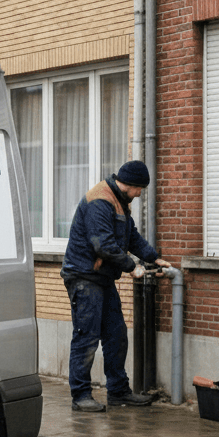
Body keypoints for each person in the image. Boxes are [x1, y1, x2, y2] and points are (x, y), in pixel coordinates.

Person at [61, 160, 171, 412]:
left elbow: (131, 237)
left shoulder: (120, 202)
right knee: (86, 337)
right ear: (131, 183)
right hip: (84, 277)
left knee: (116, 335)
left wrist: (153, 257)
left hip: (102, 278)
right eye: (140, 188)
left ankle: (119, 391)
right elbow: (103, 245)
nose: (141, 193)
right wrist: (132, 267)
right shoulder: (100, 200)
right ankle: (80, 396)